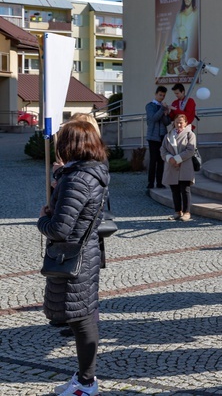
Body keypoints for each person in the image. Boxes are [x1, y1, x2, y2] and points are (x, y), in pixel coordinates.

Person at [38, 121, 109, 396]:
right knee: (86, 315)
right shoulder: (94, 173)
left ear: (71, 144)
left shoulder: (76, 178)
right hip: (86, 251)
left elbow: (59, 228)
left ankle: (86, 383)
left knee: (81, 319)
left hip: (73, 257)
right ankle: (84, 377)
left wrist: (44, 219)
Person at [161, 114, 197, 221]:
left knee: (185, 189)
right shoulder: (168, 135)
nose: (179, 124)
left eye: (181, 122)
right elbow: (162, 149)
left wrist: (177, 159)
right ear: (174, 123)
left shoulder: (190, 134)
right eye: (177, 122)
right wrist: (170, 158)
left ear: (186, 123)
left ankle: (187, 212)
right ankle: (177, 211)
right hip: (171, 165)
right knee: (175, 190)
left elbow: (191, 150)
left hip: (185, 165)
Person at [171, 0, 199, 73]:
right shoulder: (179, 16)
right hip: (181, 63)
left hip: (193, 64)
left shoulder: (196, 14)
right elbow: (174, 38)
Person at [146, 85, 170, 190]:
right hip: (153, 137)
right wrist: (162, 109)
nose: (162, 97)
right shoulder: (150, 106)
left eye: (163, 96)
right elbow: (153, 118)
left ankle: (159, 182)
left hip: (162, 136)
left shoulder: (163, 107)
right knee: (153, 160)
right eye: (160, 95)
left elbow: (167, 122)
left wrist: (165, 114)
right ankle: (151, 182)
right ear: (156, 94)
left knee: (161, 161)